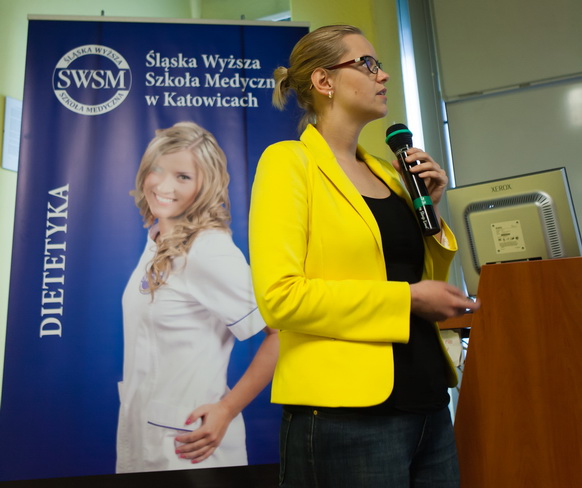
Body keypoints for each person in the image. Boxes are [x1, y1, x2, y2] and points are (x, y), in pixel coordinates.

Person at [248, 25, 480, 487]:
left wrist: (430, 211)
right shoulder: (289, 163)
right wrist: (407, 299)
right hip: (346, 414)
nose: (384, 75)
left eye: (380, 65)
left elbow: (424, 279)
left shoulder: (389, 174)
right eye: (368, 64)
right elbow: (280, 299)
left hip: (428, 401)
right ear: (324, 81)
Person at [117, 121, 278, 473]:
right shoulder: (157, 239)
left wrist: (227, 410)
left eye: (183, 176)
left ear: (205, 185)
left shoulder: (209, 250)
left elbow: (282, 335)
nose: (164, 185)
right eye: (157, 170)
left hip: (190, 448)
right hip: (142, 442)